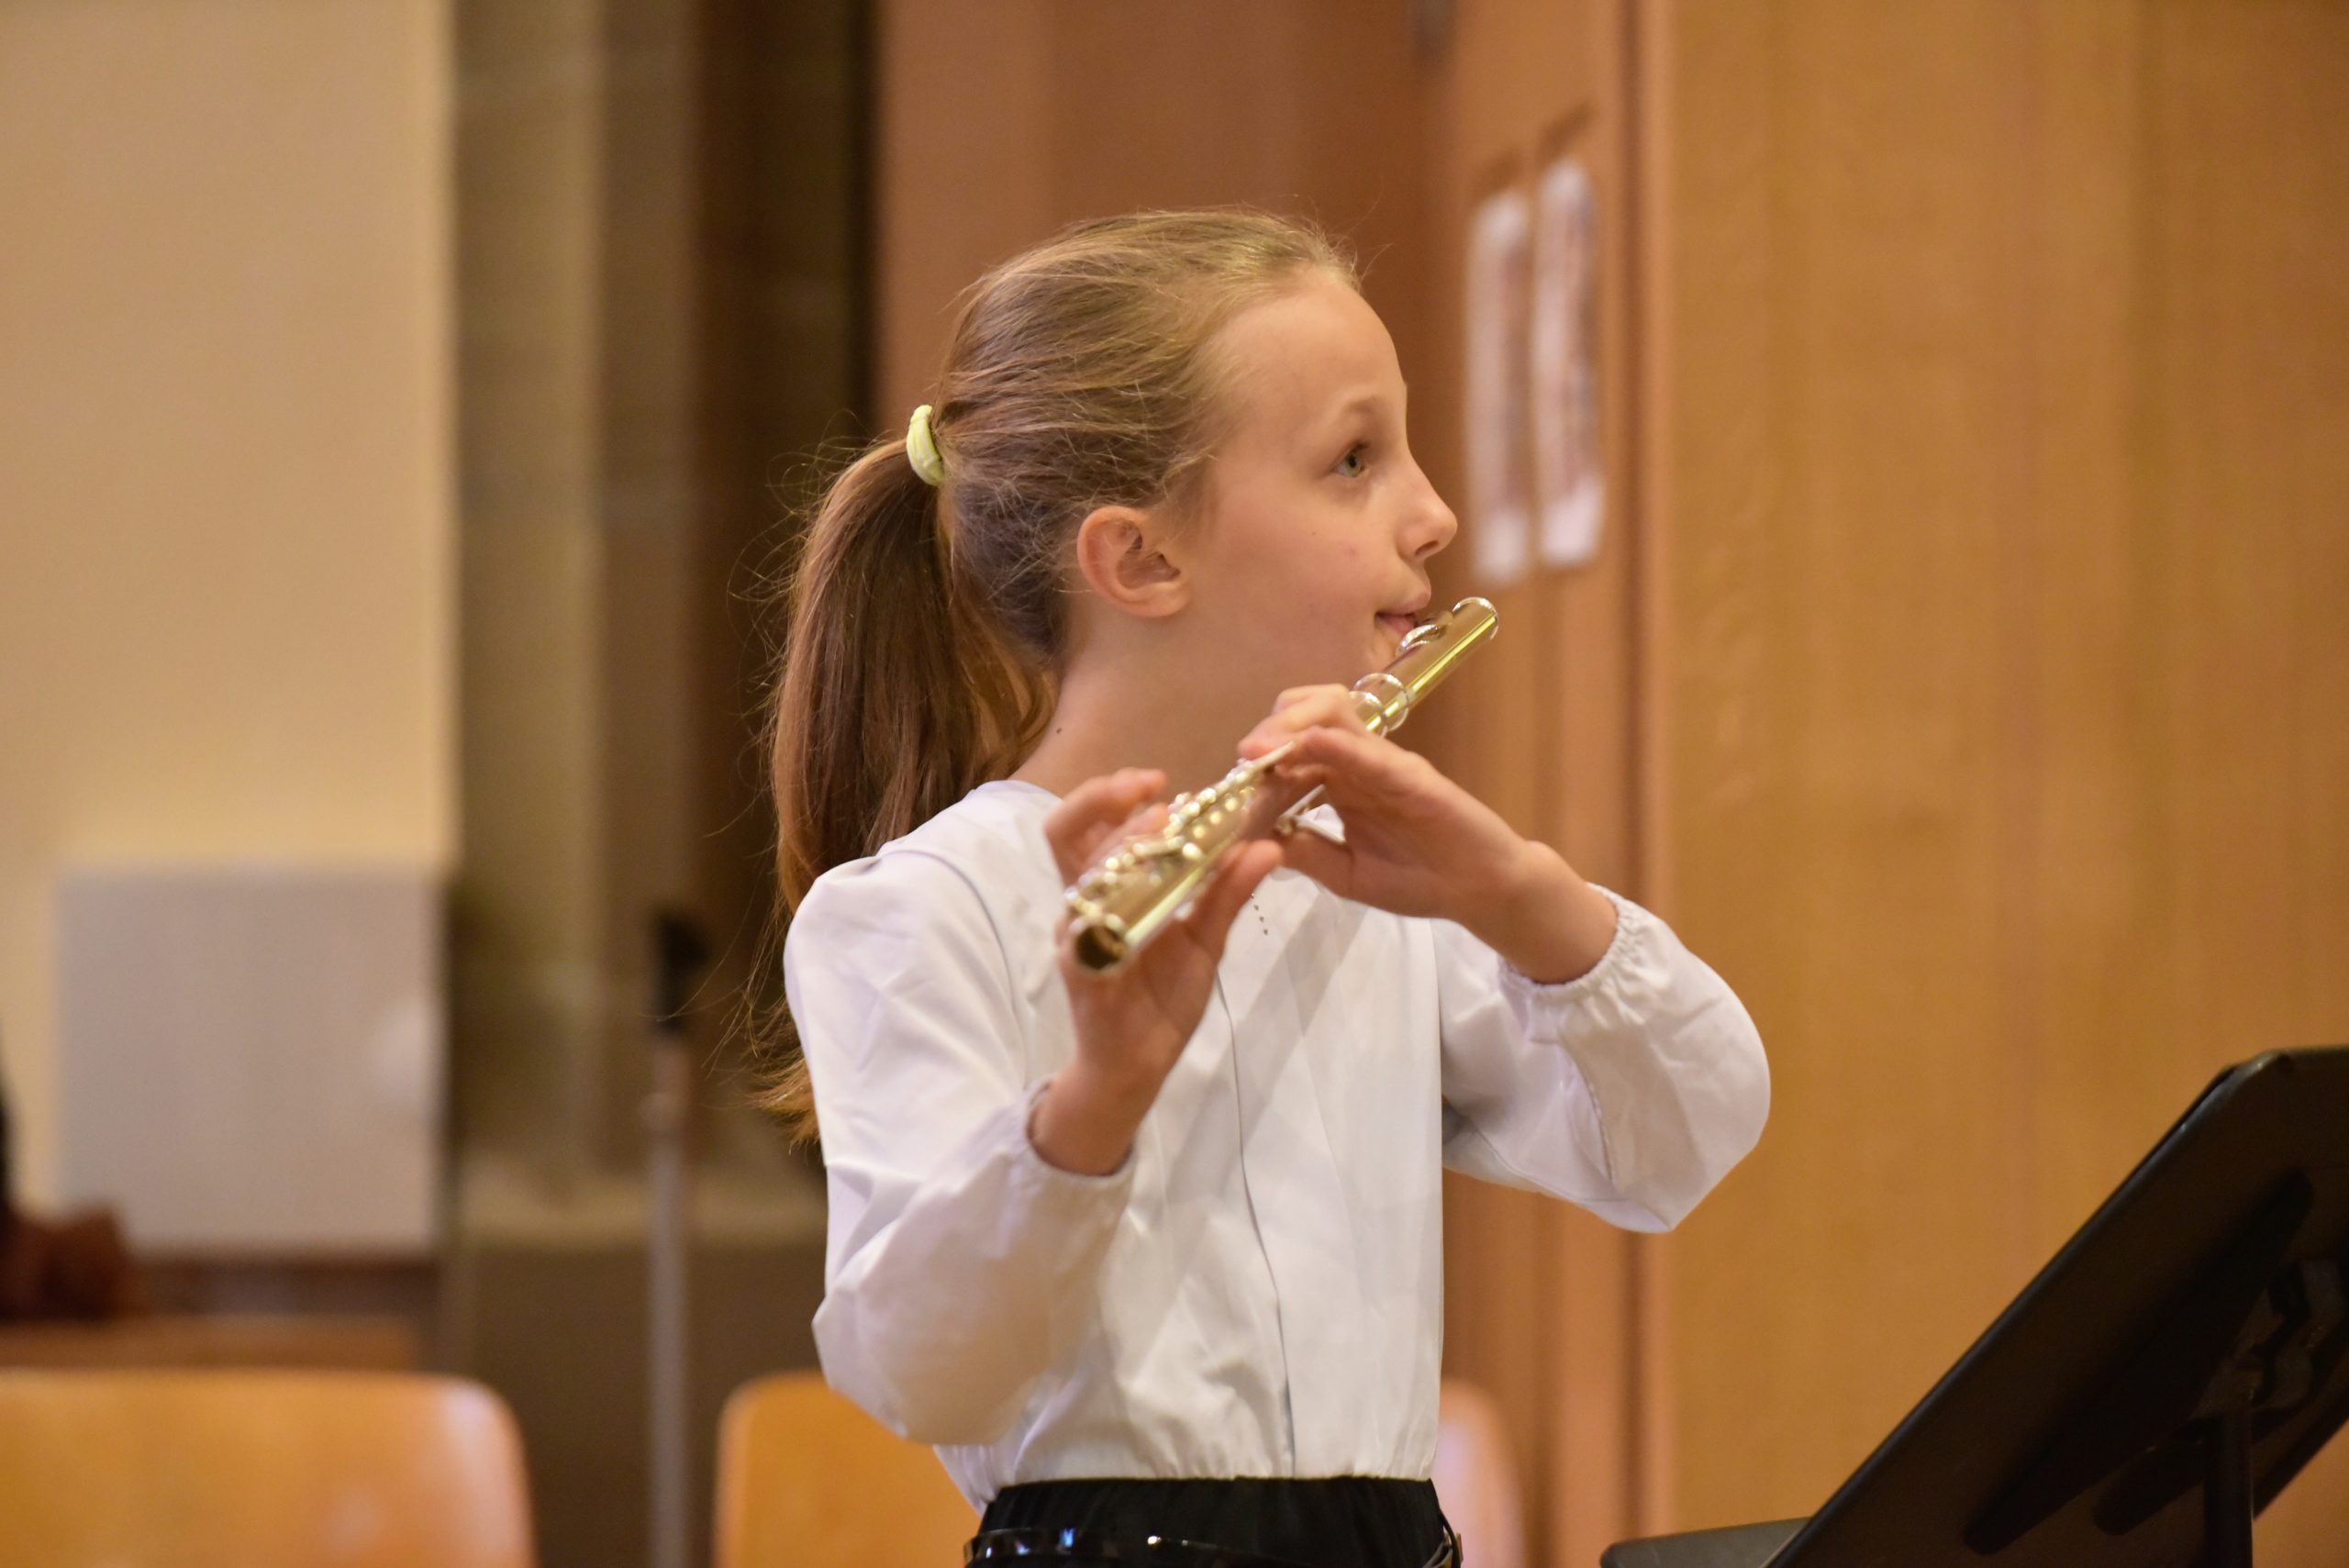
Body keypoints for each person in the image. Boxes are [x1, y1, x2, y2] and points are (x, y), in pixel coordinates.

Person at [761, 209, 1768, 1568]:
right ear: (1142, 559)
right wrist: (1091, 1106)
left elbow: (1682, 1140)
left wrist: (1519, 897)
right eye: (1354, 460)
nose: (1435, 513)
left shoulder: (1361, 882)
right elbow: (921, 1368)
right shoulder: (925, 907)